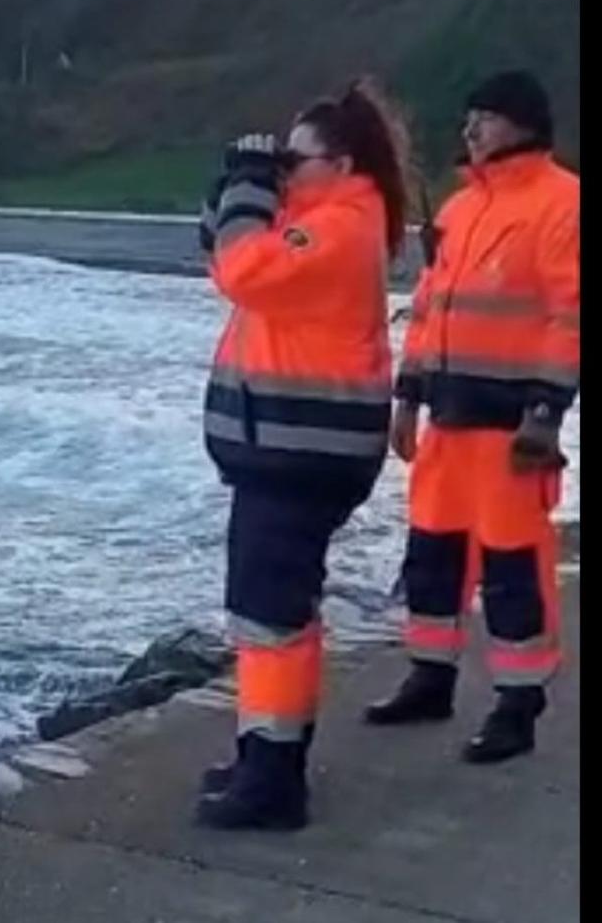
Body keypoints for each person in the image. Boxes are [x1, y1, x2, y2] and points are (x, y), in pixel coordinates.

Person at [195, 79, 409, 830]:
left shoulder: (342, 228)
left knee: (272, 616)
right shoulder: (324, 221)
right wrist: (234, 187)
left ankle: (276, 782)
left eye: (298, 157)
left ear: (343, 164)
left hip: (301, 456)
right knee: (269, 614)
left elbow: (243, 270)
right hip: (288, 453)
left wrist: (252, 187)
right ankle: (264, 753)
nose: (285, 170)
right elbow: (223, 257)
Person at [365, 71, 579, 763]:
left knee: (514, 566)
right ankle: (431, 678)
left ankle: (519, 706)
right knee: (432, 555)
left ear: (521, 124)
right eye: (468, 119)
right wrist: (407, 397)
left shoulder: (563, 204)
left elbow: (569, 317)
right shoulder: (459, 211)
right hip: (447, 423)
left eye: (482, 118)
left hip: (512, 428)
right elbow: (428, 311)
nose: (469, 131)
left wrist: (545, 415)